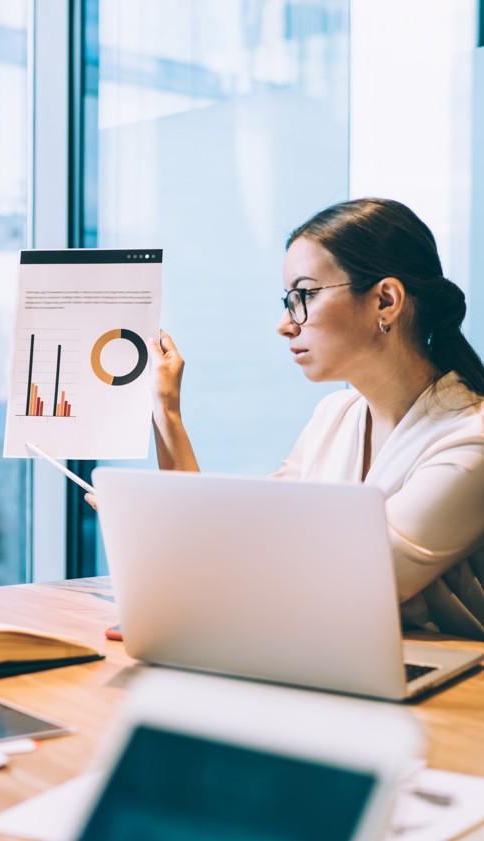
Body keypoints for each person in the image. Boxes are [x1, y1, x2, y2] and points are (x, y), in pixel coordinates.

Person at [140, 197, 484, 639]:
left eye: (303, 296)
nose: (285, 324)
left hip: (452, 698)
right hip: (334, 662)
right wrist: (166, 411)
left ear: (386, 300)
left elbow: (349, 584)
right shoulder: (334, 417)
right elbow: (239, 543)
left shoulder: (470, 438)